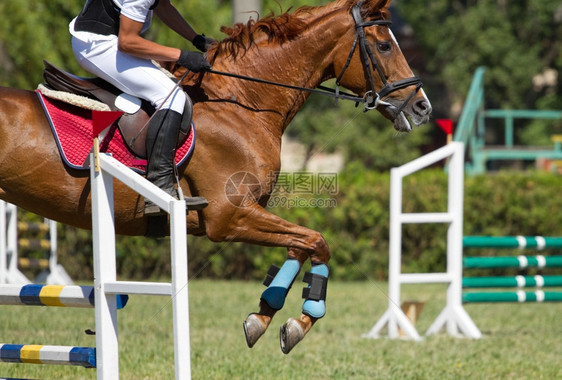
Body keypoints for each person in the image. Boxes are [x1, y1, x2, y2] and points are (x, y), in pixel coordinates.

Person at [69, 0, 214, 215]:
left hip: (110, 39)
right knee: (171, 95)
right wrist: (181, 55)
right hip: (99, 46)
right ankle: (159, 187)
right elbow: (127, 42)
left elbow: (163, 6)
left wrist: (196, 39)